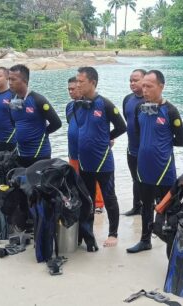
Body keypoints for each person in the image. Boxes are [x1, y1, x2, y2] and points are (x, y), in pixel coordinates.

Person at [127, 70, 183, 253]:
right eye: (143, 85)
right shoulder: (140, 108)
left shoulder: (170, 110)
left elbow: (182, 140)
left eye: (149, 86)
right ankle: (145, 240)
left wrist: (163, 145)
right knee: (146, 207)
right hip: (144, 168)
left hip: (164, 169)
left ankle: (173, 244)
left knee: (169, 209)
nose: (144, 90)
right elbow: (138, 133)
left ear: (161, 87)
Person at [75, 66, 127, 247]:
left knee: (109, 197)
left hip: (103, 161)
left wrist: (108, 138)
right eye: (77, 81)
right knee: (86, 199)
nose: (78, 84)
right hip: (84, 162)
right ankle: (87, 235)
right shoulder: (77, 105)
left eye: (81, 82)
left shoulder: (104, 104)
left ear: (93, 83)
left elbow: (122, 127)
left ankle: (113, 234)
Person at [8, 64, 61, 167]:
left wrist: (42, 133)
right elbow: (14, 122)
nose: (10, 83)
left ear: (25, 81)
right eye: (9, 79)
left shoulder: (38, 100)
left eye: (13, 79)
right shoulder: (12, 100)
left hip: (39, 154)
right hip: (21, 153)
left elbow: (57, 123)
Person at [65, 77, 105, 211]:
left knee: (93, 178)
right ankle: (79, 200)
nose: (71, 92)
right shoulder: (69, 106)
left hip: (89, 150)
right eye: (69, 89)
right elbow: (71, 124)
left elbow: (101, 125)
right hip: (73, 149)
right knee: (74, 176)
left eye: (73, 89)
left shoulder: (93, 104)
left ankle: (98, 204)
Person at [122, 69, 146, 216]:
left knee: (147, 180)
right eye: (130, 80)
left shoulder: (149, 102)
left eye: (135, 80)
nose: (132, 83)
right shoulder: (127, 99)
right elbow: (128, 119)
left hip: (146, 150)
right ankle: (136, 206)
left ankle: (149, 207)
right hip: (131, 148)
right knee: (135, 179)